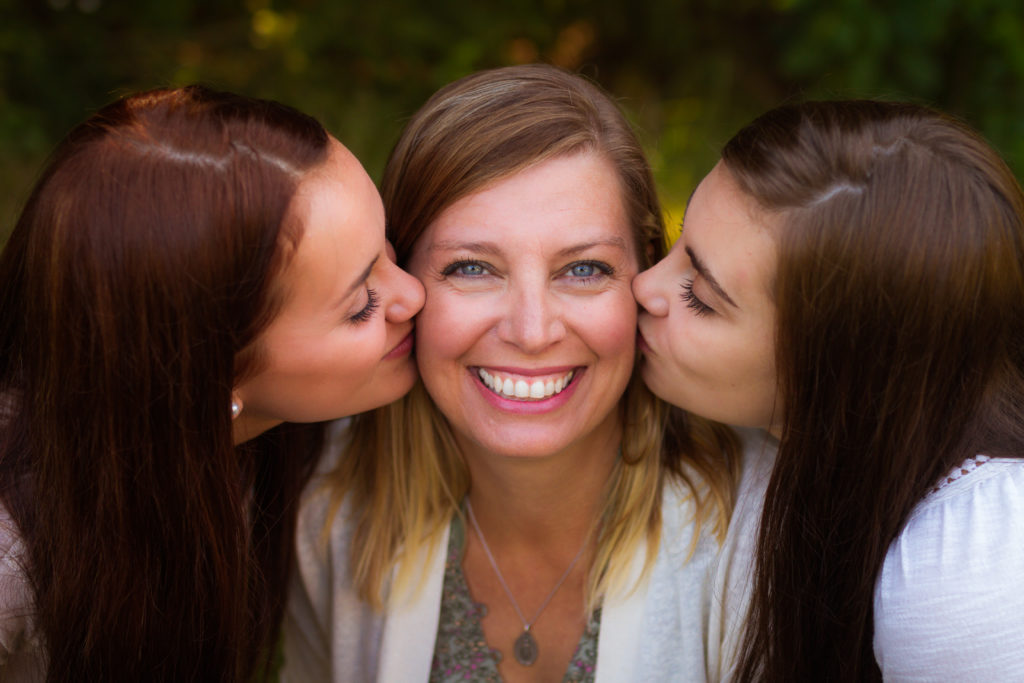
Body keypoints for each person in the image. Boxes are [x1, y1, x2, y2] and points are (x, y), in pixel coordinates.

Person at [283, 64, 751, 682]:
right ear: (398, 278)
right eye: (473, 268)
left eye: (583, 270)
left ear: (644, 277)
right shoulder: (331, 505)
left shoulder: (753, 531)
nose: (532, 333)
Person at [0, 85, 425, 682]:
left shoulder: (262, 444)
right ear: (208, 381)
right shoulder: (13, 564)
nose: (414, 294)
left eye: (387, 248)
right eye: (361, 305)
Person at [632, 99, 1024, 681]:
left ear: (836, 368)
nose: (644, 286)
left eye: (700, 297)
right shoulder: (797, 458)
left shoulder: (969, 580)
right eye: (677, 241)